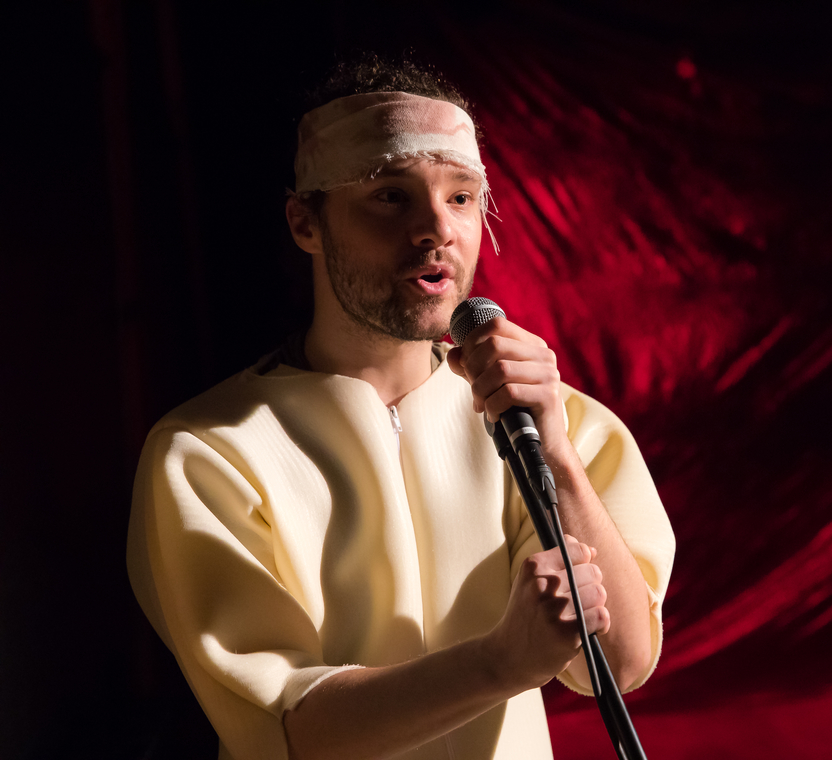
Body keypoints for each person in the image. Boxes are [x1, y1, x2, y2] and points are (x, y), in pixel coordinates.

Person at [126, 56, 675, 760]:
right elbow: (290, 733)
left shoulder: (551, 418)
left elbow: (621, 665)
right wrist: (500, 663)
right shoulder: (207, 451)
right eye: (390, 195)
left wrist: (558, 457)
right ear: (305, 222)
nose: (436, 228)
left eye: (462, 197)